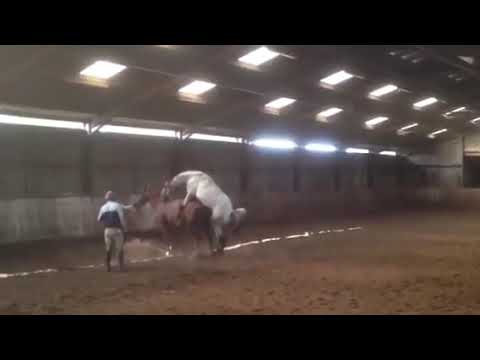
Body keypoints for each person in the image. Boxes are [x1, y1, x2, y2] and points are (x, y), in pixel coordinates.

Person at [166, 171, 247, 255]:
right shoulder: (204, 179)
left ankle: (219, 244)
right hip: (225, 200)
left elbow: (189, 196)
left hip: (219, 205)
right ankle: (221, 241)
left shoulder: (193, 181)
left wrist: (182, 208)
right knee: (219, 223)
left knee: (214, 223)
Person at [97, 190, 135, 272]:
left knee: (108, 248)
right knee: (120, 248)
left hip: (107, 230)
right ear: (114, 197)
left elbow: (99, 219)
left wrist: (106, 219)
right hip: (117, 230)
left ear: (106, 198)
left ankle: (108, 266)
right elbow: (121, 218)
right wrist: (125, 228)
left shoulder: (103, 207)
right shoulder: (117, 205)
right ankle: (121, 266)